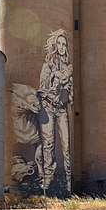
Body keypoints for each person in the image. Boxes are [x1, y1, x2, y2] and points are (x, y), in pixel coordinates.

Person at [37, 29, 73, 192]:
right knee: (48, 143)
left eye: (64, 44)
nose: (61, 47)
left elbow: (70, 89)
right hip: (48, 106)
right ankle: (48, 176)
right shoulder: (48, 64)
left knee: (66, 144)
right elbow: (41, 88)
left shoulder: (70, 66)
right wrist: (54, 79)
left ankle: (69, 180)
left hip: (62, 109)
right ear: (54, 45)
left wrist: (66, 93)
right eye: (58, 43)